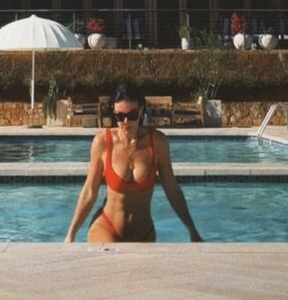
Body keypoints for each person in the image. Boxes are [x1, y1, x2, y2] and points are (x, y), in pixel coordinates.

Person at [64, 81, 203, 243]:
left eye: (131, 116)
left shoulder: (157, 142)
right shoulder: (103, 142)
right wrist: (71, 234)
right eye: (119, 116)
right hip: (107, 228)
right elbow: (90, 191)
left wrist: (192, 230)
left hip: (144, 233)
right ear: (113, 112)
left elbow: (172, 188)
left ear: (141, 111)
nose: (125, 122)